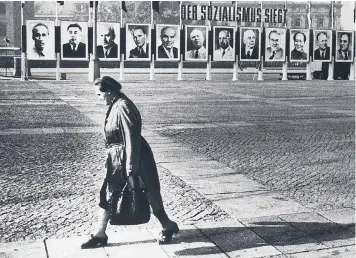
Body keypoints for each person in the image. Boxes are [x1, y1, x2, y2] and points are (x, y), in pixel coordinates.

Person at [81, 76, 179, 249]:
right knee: (108, 193)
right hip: (118, 159)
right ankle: (100, 233)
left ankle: (167, 225)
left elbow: (131, 137)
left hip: (133, 159)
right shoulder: (115, 104)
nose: (98, 98)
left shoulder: (124, 106)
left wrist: (131, 168)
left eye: (99, 95)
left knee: (148, 193)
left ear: (109, 91)